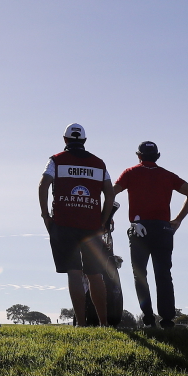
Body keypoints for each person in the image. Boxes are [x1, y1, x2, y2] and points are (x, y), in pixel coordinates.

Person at [108, 140, 188, 327]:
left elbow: (111, 193)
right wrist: (178, 219)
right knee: (163, 274)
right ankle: (167, 320)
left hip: (139, 229)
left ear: (139, 156)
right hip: (163, 229)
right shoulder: (167, 175)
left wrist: (107, 216)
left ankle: (148, 318)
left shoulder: (130, 173)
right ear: (157, 156)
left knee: (140, 274)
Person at [39, 124, 115, 327]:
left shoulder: (56, 160)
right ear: (84, 141)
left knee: (74, 272)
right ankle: (104, 324)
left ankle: (81, 324)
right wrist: (103, 220)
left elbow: (43, 184)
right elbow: (109, 193)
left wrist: (45, 215)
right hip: (92, 226)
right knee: (95, 274)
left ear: (65, 140)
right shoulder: (99, 163)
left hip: (64, 224)